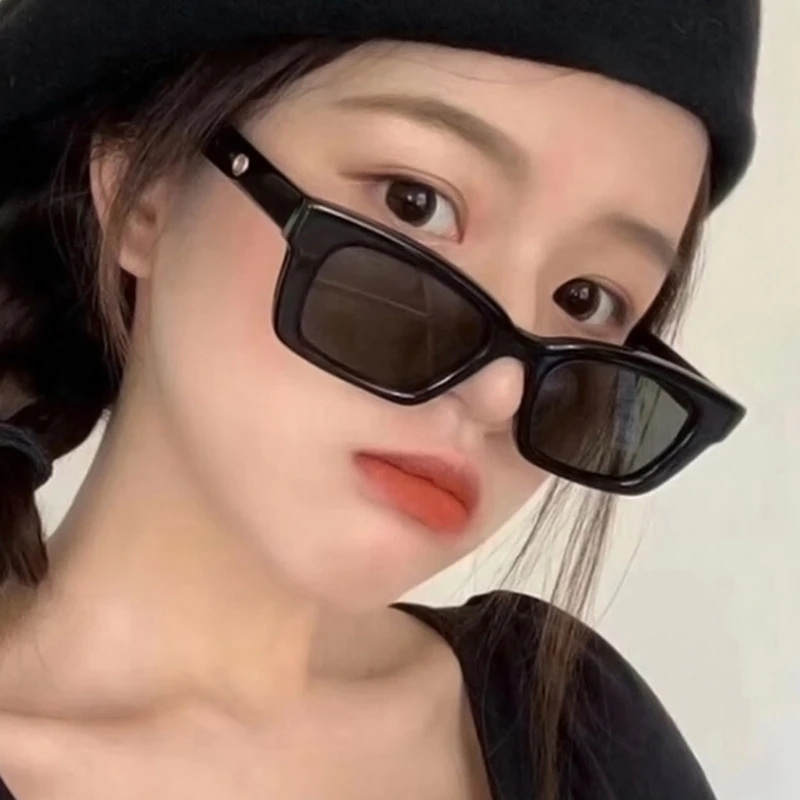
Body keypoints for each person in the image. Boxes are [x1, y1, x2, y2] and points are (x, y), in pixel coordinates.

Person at [0, 1, 761, 798]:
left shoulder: (580, 734)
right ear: (144, 194)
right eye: (414, 203)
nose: (499, 392)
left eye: (587, 298)